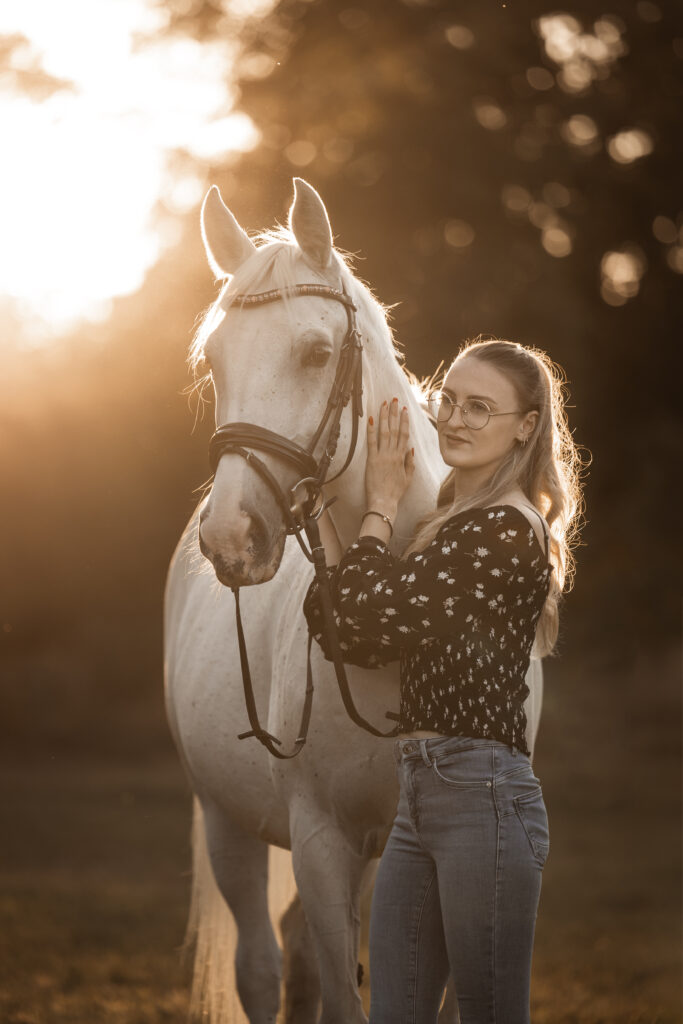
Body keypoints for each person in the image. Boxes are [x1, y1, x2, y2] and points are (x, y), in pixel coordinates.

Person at [303, 338, 583, 1024]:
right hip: (418, 795)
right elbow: (345, 632)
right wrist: (322, 513)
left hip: (480, 799)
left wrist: (381, 499)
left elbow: (377, 618)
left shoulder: (502, 532)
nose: (454, 420)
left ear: (525, 424)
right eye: (448, 401)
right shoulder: (448, 526)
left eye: (479, 408)